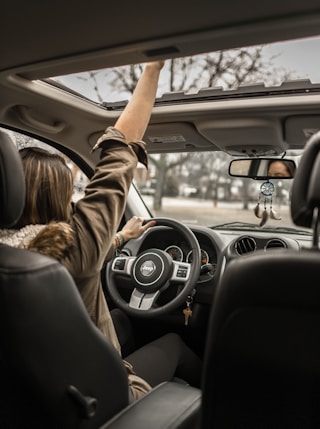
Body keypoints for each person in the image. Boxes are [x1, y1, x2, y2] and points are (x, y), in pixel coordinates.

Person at [0, 61, 202, 400]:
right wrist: (153, 68)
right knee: (175, 344)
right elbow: (120, 153)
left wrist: (122, 238)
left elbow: (91, 254)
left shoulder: (15, 260)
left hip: (34, 398)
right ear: (60, 199)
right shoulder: (73, 248)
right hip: (107, 401)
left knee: (122, 320)